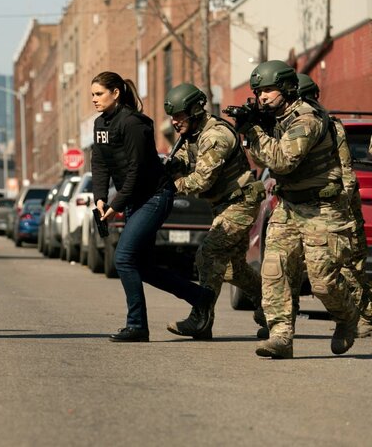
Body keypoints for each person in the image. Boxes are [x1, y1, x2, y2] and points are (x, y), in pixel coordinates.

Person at [239, 60, 358, 359]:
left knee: (322, 282)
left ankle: (347, 316)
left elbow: (282, 161)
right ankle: (280, 336)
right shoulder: (276, 118)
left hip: (322, 209)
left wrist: (253, 133)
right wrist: (253, 130)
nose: (262, 97)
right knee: (274, 270)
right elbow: (265, 162)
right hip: (289, 206)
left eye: (268, 90)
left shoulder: (307, 118)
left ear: (287, 88)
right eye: (258, 92)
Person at [90, 72, 215, 342]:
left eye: (99, 94)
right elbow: (99, 164)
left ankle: (137, 326)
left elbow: (137, 170)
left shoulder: (135, 124)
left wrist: (116, 204)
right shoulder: (101, 125)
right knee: (142, 267)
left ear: (116, 93)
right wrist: (99, 197)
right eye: (92, 95)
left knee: (123, 258)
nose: (94, 100)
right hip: (135, 198)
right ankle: (201, 297)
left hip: (155, 196)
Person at [162, 83, 266, 339]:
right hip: (224, 204)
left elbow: (202, 180)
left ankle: (201, 319)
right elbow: (186, 159)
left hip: (240, 202)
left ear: (196, 110)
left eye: (179, 116)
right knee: (232, 269)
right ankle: (273, 304)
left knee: (208, 254)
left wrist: (169, 186)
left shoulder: (216, 135)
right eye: (172, 117)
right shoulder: (193, 134)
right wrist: (172, 165)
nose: (175, 122)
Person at [296, 73, 372, 338]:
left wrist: (343, 203)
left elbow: (346, 171)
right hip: (312, 207)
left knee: (352, 265)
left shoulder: (331, 127)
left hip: (339, 205)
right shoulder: (297, 124)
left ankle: (366, 315)